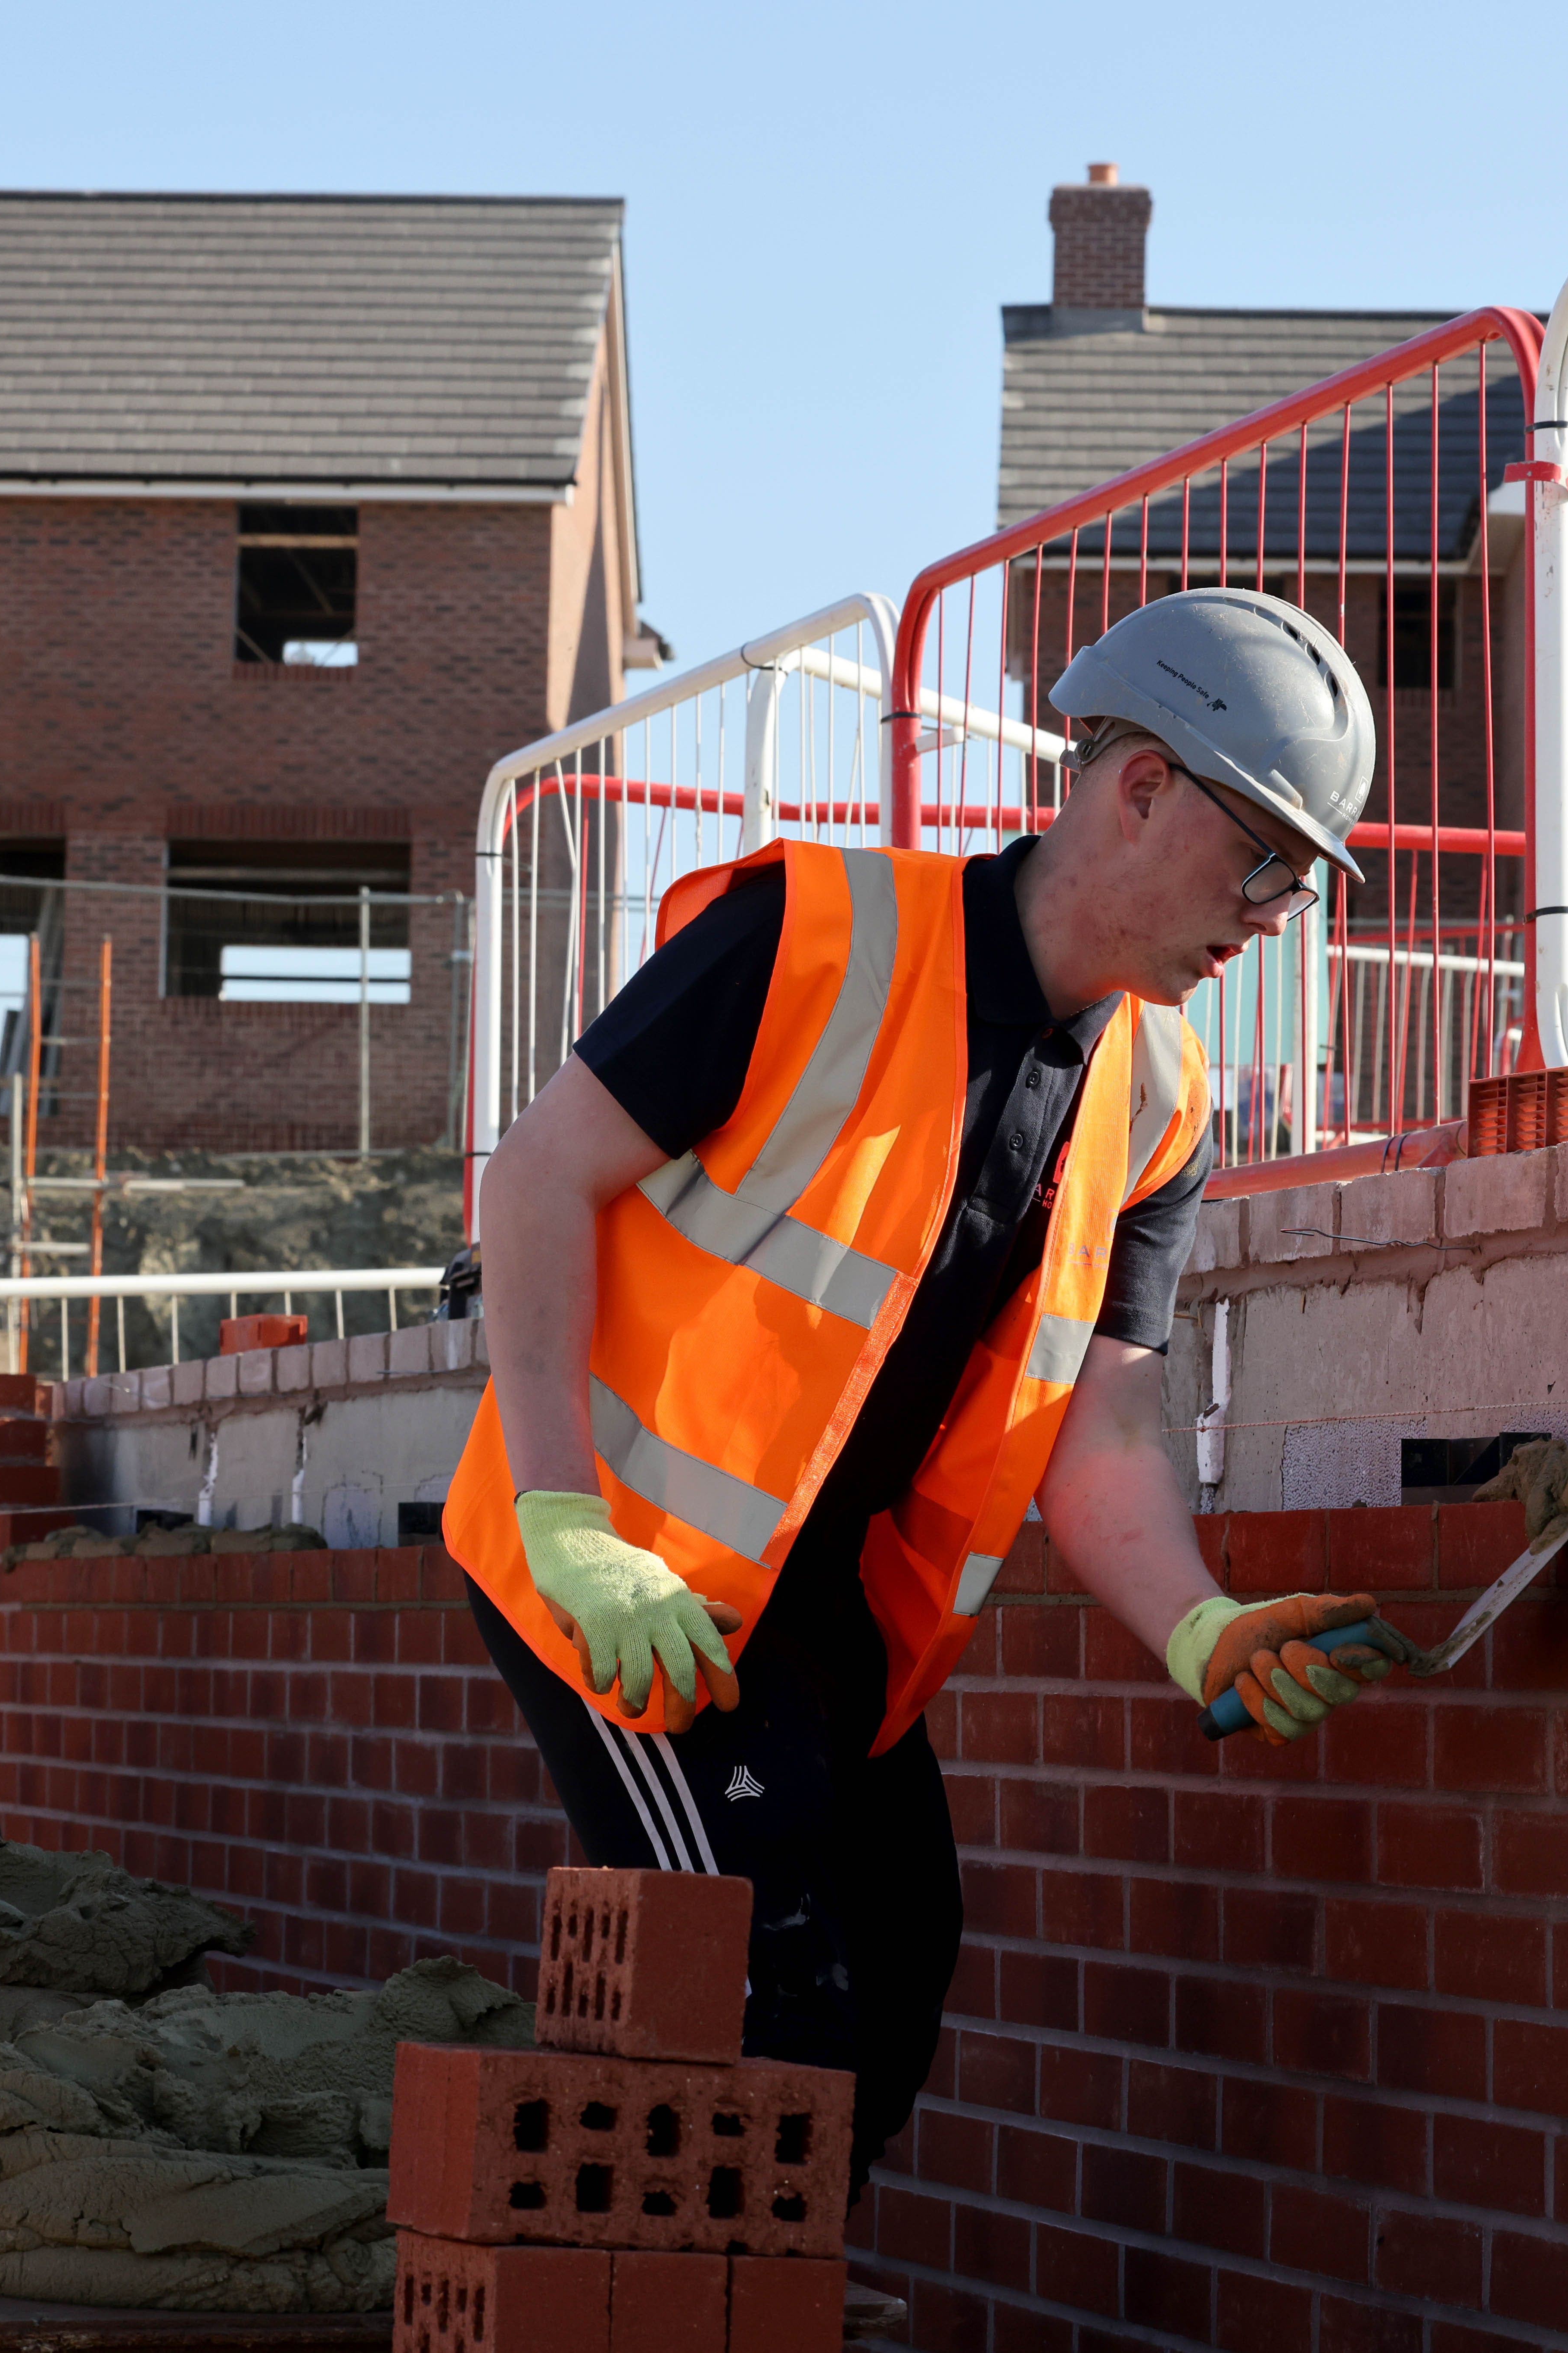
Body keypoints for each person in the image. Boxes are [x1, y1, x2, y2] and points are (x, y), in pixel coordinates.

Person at [447, 588, 1398, 2190]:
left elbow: (1101, 1431)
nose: (1278, 907)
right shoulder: (813, 937)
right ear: (1139, 785)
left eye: (1304, 876)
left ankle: (740, 2298)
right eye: (1266, 854)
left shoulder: (1157, 1101)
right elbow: (537, 1180)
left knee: (896, 1963)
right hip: (617, 1568)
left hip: (811, 1604)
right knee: (757, 1980)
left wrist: (1198, 1624)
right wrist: (565, 1520)